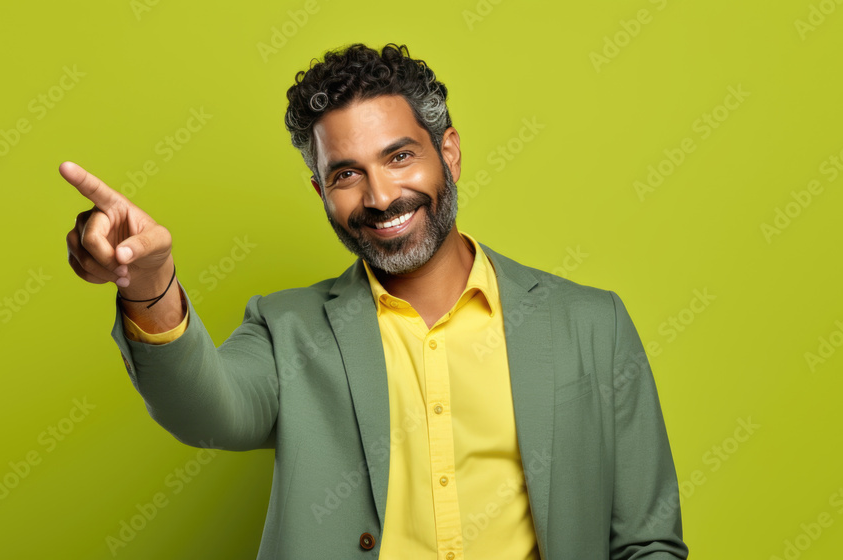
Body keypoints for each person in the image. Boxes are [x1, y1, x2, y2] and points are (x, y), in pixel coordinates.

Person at [63, 43, 688, 559]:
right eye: (346, 173)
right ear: (321, 190)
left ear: (449, 153)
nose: (381, 195)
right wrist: (151, 283)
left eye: (400, 156)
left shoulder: (590, 325)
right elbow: (207, 413)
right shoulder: (287, 329)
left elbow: (647, 539)